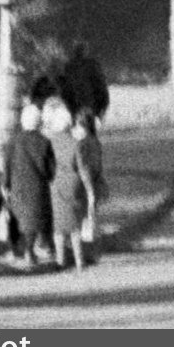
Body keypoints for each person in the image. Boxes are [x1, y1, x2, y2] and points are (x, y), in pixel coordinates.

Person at [3, 100, 56, 268]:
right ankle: (32, 251)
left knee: (18, 218)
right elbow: (51, 170)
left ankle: (19, 250)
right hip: (37, 186)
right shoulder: (44, 142)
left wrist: (6, 184)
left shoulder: (13, 141)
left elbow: (7, 164)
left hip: (17, 185)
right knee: (36, 218)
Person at [44, 97, 88, 270]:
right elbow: (82, 167)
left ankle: (61, 259)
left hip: (56, 183)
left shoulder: (50, 142)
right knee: (75, 225)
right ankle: (79, 259)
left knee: (58, 226)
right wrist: (89, 189)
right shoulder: (75, 143)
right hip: (74, 183)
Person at [74, 110, 108, 259]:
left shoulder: (82, 144)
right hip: (96, 183)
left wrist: (89, 190)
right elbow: (98, 166)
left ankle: (85, 254)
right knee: (92, 219)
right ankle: (94, 253)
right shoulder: (96, 142)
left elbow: (84, 168)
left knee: (83, 221)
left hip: (84, 186)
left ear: (83, 126)